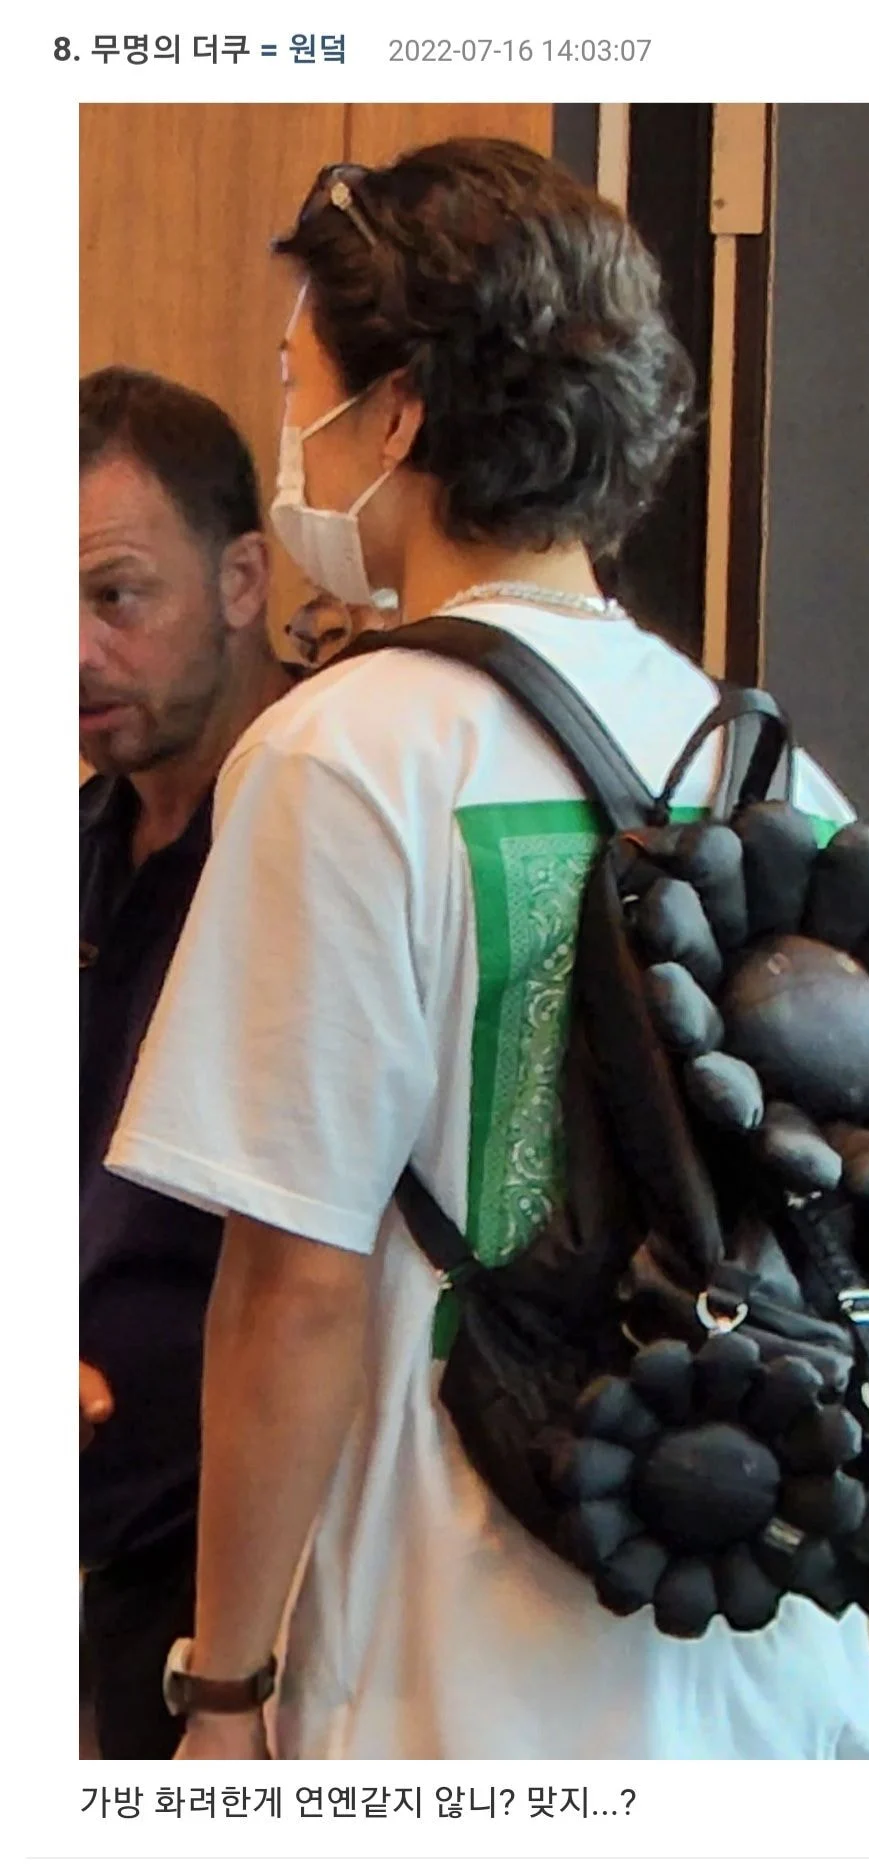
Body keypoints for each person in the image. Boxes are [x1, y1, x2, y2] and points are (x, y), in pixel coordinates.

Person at [108, 140, 869, 1761]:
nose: (293, 434)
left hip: (458, 1665)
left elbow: (294, 1289)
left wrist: (224, 1687)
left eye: (298, 385)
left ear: (397, 414)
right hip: (752, 1642)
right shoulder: (757, 758)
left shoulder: (343, 757)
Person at [80, 366, 292, 1758]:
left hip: (267, 1592)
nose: (72, 653)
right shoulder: (75, 845)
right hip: (96, 1563)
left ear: (242, 581)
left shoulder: (323, 830)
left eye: (116, 597)